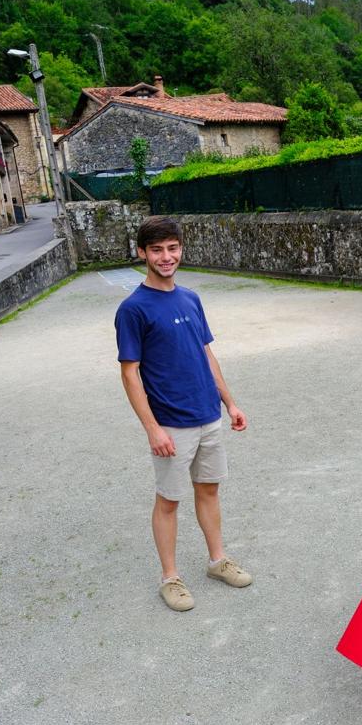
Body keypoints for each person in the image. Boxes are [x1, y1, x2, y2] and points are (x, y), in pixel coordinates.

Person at [115, 216, 252, 612]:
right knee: (169, 501)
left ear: (181, 250)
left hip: (207, 415)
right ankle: (170, 578)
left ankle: (217, 560)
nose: (166, 256)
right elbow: (129, 372)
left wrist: (230, 402)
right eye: (156, 249)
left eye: (172, 248)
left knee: (209, 489)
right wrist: (152, 429)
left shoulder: (190, 298)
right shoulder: (134, 309)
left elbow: (206, 354)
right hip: (172, 423)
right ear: (142, 253)